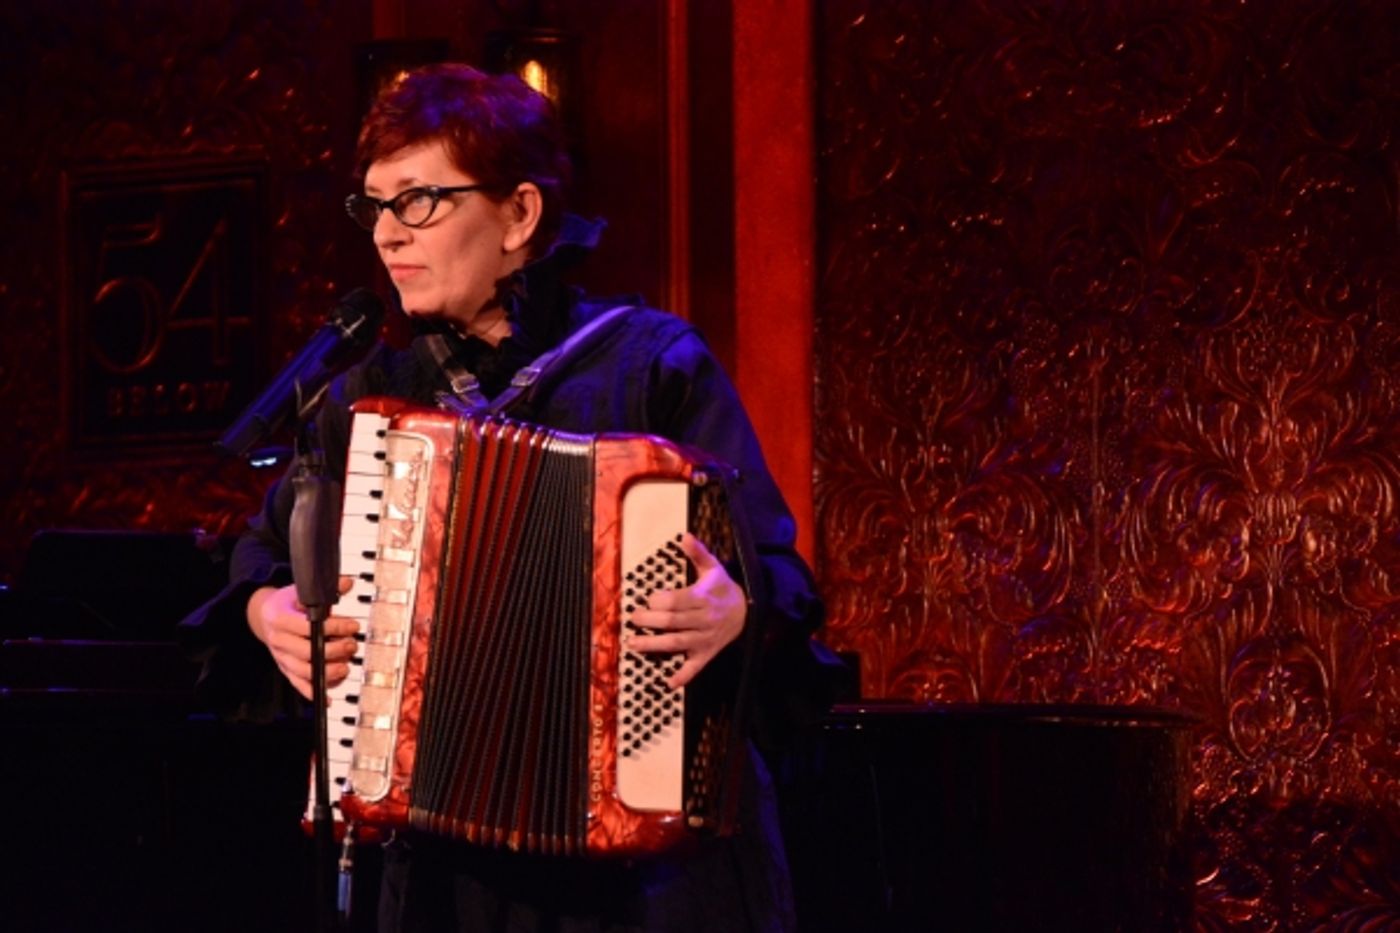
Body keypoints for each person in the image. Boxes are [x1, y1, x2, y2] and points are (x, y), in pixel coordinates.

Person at [179, 63, 826, 932]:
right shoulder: (366, 398)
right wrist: (270, 613)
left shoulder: (652, 364)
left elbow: (774, 570)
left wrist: (735, 609)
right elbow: (259, 557)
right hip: (441, 872)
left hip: (646, 878)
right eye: (375, 206)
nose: (387, 235)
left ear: (520, 214)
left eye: (418, 201)